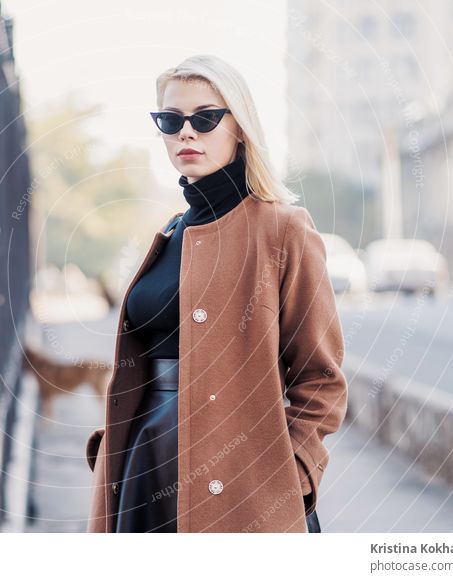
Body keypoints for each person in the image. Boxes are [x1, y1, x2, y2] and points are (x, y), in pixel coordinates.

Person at [85, 54, 347, 533]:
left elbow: (321, 379)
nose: (186, 133)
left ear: (240, 128)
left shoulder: (283, 230)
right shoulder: (170, 233)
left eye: (205, 119)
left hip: (244, 488)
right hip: (145, 463)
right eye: (171, 120)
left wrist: (294, 472)